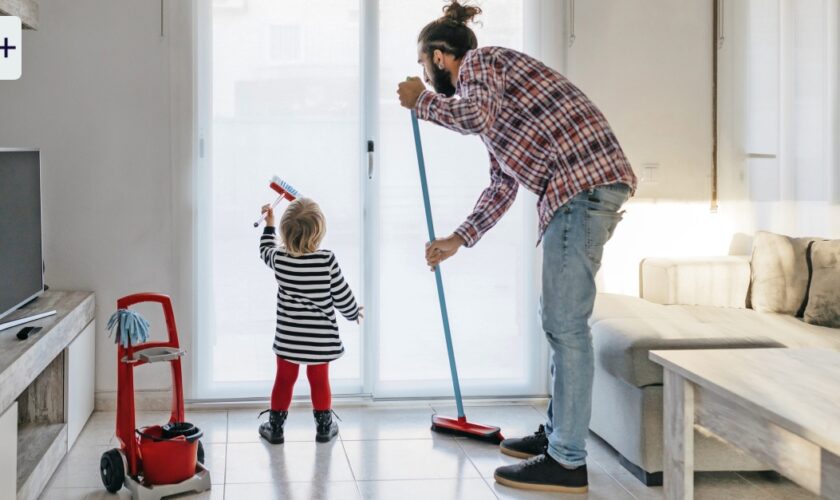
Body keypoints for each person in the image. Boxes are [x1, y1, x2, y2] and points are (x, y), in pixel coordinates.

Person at [397, 1, 637, 493]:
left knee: (565, 327)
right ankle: (557, 438)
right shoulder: (493, 97)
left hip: (580, 187)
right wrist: (457, 240)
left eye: (425, 65)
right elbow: (501, 185)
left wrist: (421, 101)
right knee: (559, 324)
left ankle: (567, 462)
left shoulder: (483, 65)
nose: (426, 74)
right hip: (578, 190)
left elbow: (469, 113)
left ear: (442, 57)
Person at [257, 198, 363, 444]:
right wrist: (353, 312)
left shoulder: (280, 259)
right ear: (319, 232)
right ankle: (324, 428)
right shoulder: (326, 260)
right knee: (319, 381)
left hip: (289, 340)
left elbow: (265, 251)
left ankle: (275, 428)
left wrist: (269, 225)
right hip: (320, 341)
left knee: (284, 380)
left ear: (285, 231)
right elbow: (341, 294)